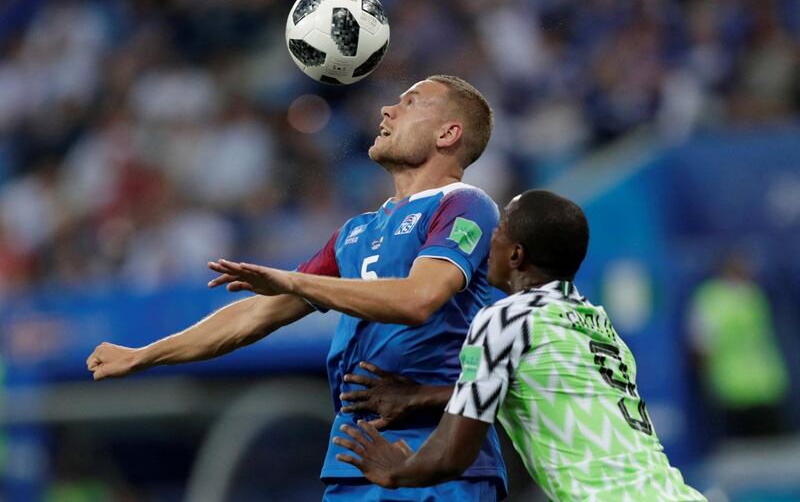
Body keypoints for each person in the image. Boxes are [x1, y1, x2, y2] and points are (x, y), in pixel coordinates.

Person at [86, 75, 507, 501]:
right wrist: (145, 354)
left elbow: (420, 298)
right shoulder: (355, 233)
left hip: (439, 463)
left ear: (448, 133)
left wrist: (295, 279)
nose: (387, 110)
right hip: (353, 462)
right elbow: (255, 314)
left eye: (412, 103)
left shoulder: (464, 203)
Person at [333, 190, 707, 501]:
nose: (487, 245)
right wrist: (421, 395)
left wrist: (397, 470)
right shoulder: (595, 322)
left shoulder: (506, 319)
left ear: (516, 255)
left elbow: (452, 455)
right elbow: (539, 387)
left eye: (497, 235)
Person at [688, 254, 789, 438]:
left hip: (766, 386)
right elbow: (700, 344)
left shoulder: (754, 294)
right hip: (733, 391)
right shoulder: (710, 299)